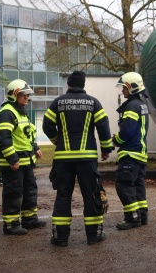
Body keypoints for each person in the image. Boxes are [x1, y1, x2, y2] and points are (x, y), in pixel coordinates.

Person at [43, 71, 113, 246]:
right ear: (83, 85)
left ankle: (60, 238)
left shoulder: (57, 102)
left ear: (69, 84)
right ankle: (93, 235)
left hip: (63, 159)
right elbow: (103, 127)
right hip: (87, 158)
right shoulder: (93, 102)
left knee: (63, 195)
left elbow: (47, 125)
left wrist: (57, 141)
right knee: (91, 194)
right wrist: (105, 149)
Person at [0, 79, 47, 235]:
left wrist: (36, 148)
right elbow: (4, 138)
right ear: (14, 95)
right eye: (24, 95)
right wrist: (13, 159)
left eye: (27, 95)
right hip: (14, 164)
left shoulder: (20, 112)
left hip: (25, 162)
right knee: (13, 193)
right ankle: (11, 225)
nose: (27, 98)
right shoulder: (7, 112)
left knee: (30, 190)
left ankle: (29, 219)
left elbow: (27, 134)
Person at [112, 72, 150, 230]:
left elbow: (127, 131)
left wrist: (116, 141)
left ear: (132, 87)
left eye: (124, 88)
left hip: (130, 154)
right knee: (138, 185)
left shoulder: (131, 106)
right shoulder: (141, 105)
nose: (122, 91)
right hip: (140, 154)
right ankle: (142, 216)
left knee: (124, 184)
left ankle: (132, 217)